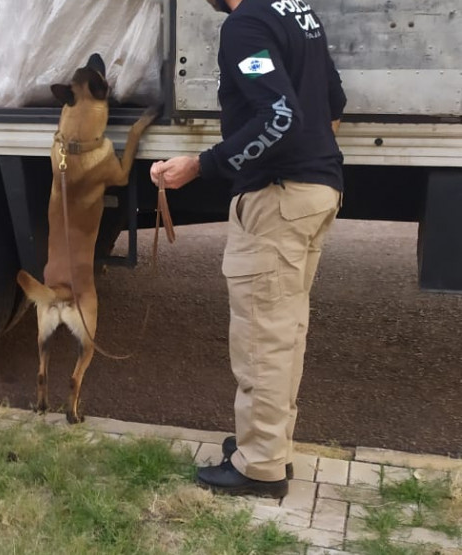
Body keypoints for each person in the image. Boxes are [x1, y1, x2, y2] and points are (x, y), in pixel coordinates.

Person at [150, 0, 347, 498]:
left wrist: (201, 164)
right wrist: (312, 155)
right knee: (285, 332)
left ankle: (259, 468)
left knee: (262, 337)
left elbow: (279, 116)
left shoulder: (245, 25)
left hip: (278, 199)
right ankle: (268, 446)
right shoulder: (298, 13)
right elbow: (334, 100)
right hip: (317, 191)